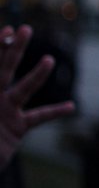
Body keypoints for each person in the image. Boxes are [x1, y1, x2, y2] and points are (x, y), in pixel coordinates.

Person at [0, 24, 76, 170]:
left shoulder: (42, 44)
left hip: (31, 97)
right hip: (36, 96)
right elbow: (69, 67)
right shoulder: (55, 44)